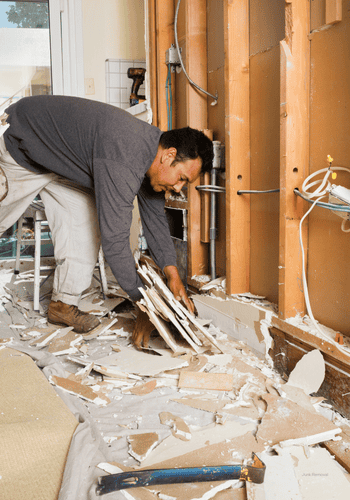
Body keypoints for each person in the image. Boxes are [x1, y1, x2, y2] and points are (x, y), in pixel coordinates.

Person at [0, 95, 213, 344]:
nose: (178, 188)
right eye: (182, 178)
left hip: (66, 165)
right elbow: (116, 242)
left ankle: (62, 305)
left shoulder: (151, 158)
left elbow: (155, 219)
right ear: (169, 155)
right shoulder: (124, 158)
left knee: (85, 230)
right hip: (25, 149)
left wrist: (172, 273)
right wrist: (145, 302)